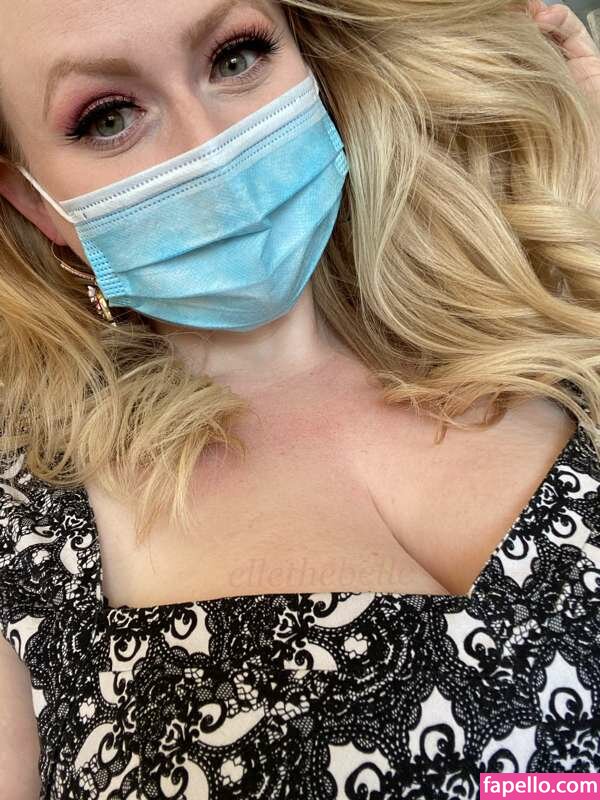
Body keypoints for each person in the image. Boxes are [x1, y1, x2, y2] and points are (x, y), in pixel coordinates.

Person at [0, 0, 599, 797]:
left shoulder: (541, 318)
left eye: (236, 56)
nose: (211, 148)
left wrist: (577, 153)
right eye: (108, 117)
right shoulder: (22, 542)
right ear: (34, 203)